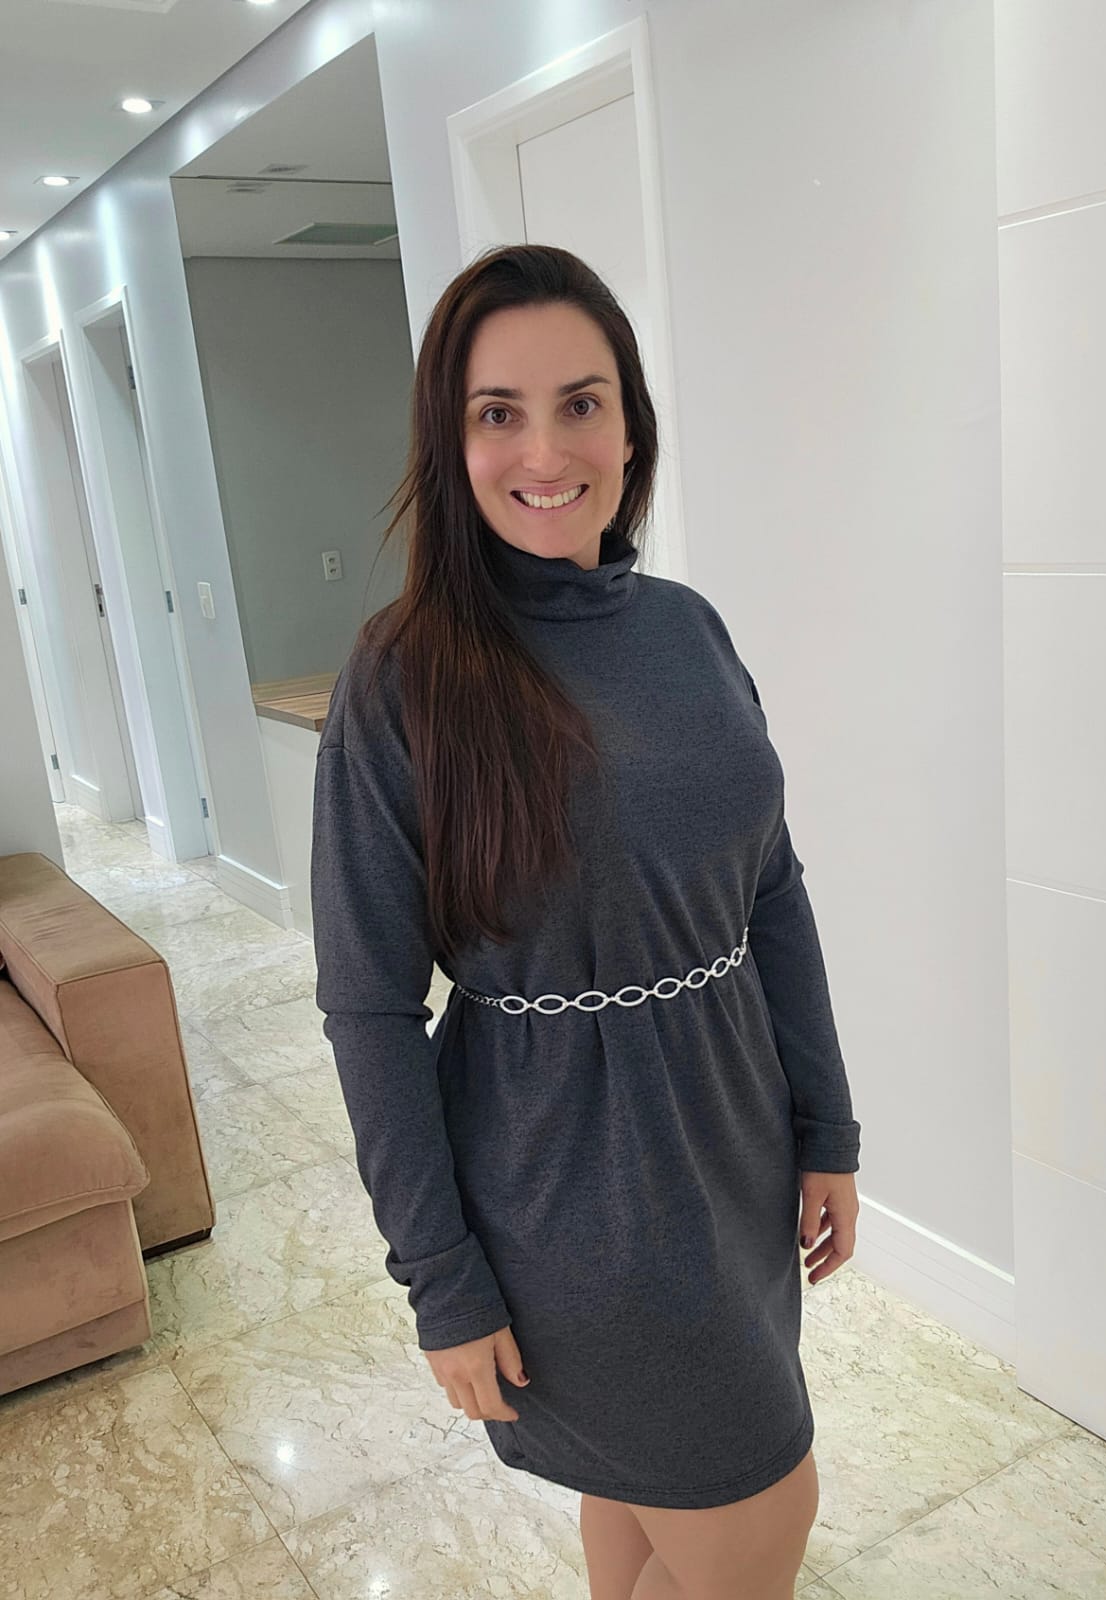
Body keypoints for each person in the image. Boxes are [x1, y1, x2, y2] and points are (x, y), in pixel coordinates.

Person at [310, 243, 861, 1600]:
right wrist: (440, 1278)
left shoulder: (687, 629)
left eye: (581, 403)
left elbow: (771, 889)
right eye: (498, 411)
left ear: (630, 425)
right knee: (757, 1500)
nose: (545, 451)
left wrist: (825, 1127)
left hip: (729, 1148)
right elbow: (370, 1005)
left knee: (644, 1491)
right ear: (450, 441)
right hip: (568, 1195)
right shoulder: (404, 676)